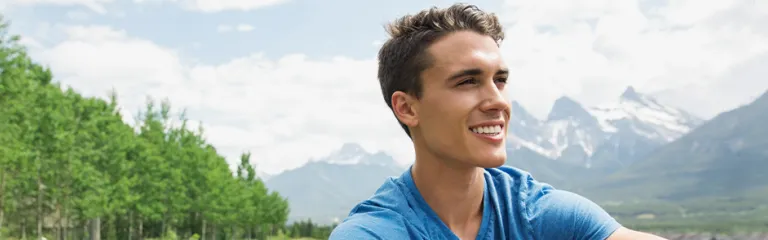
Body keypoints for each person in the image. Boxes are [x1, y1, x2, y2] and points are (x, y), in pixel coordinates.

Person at [329, 3, 666, 240]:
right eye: (467, 81)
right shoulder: (373, 233)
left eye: (500, 80)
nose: (499, 102)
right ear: (406, 108)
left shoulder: (538, 214)